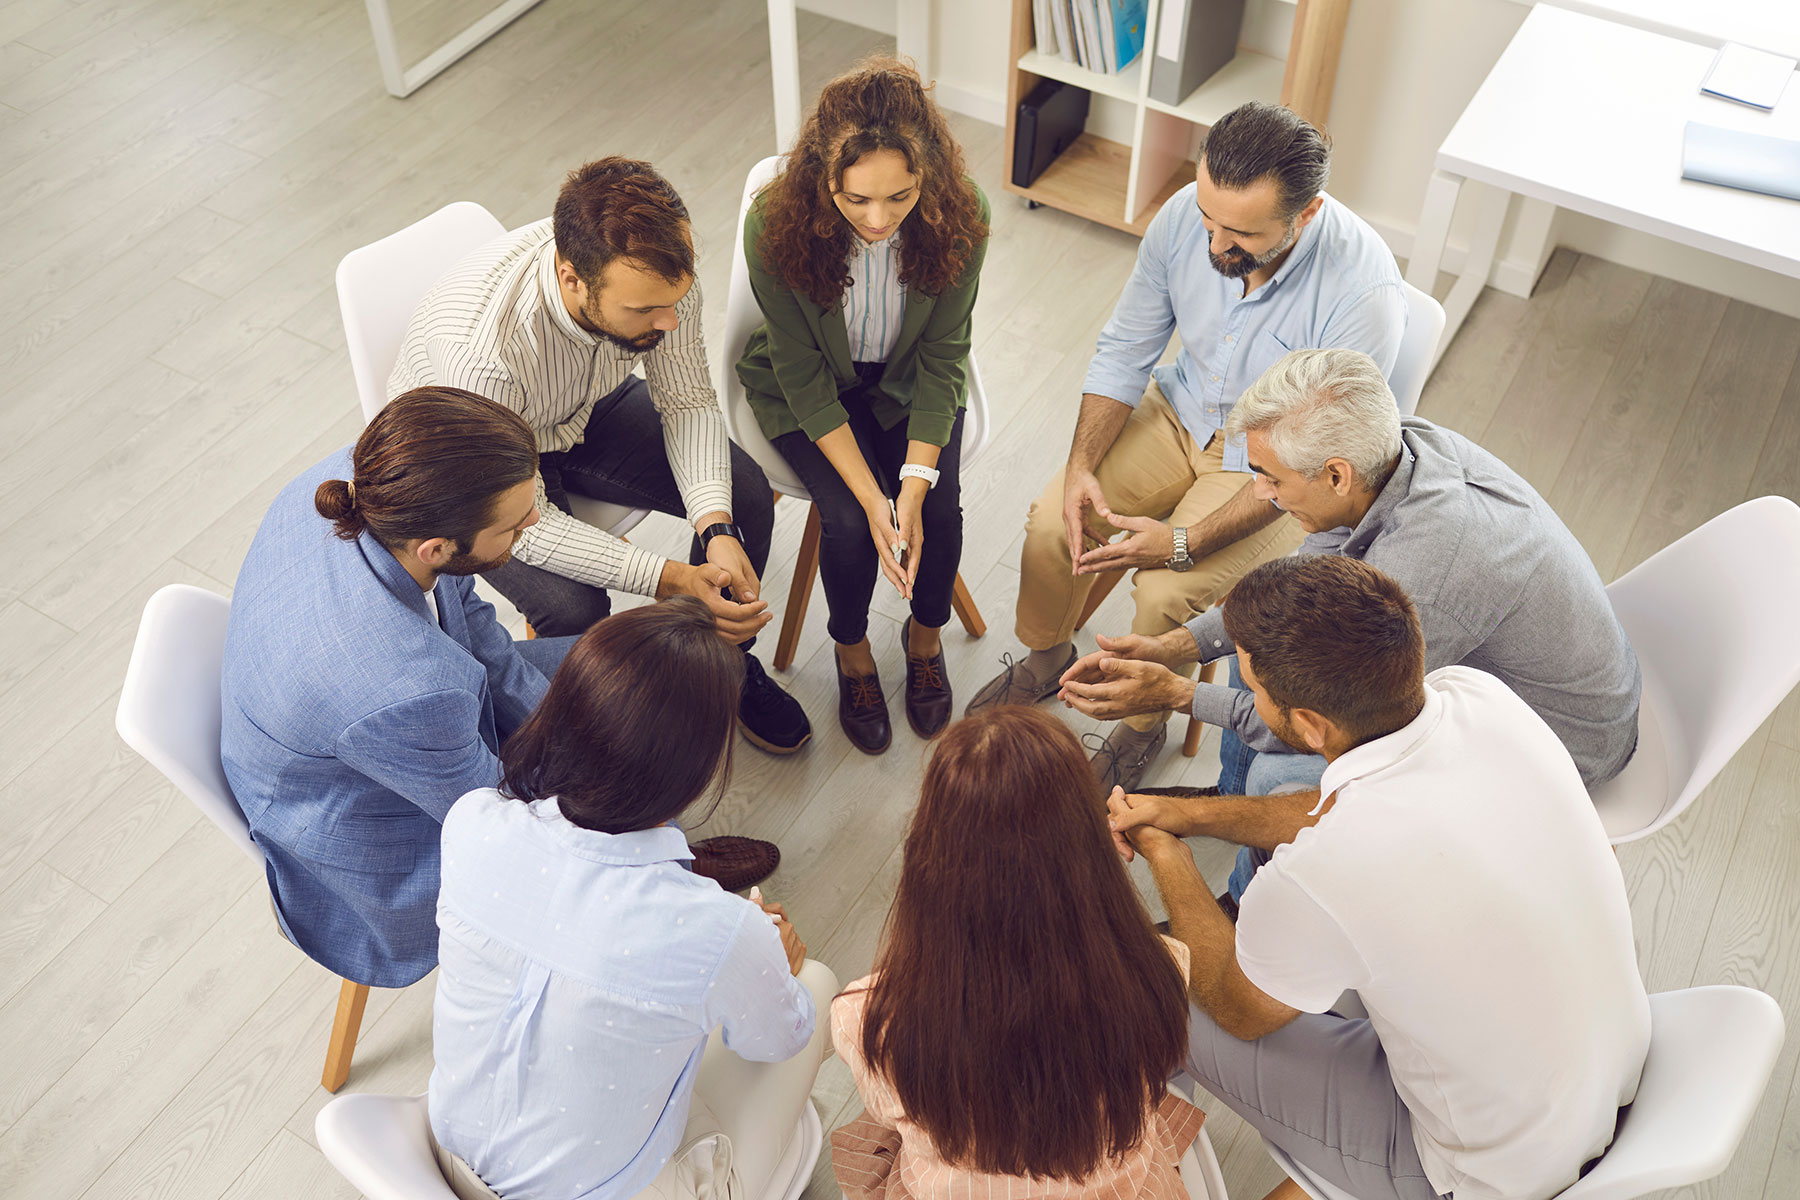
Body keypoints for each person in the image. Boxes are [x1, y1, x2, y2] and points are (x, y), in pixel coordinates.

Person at [1109, 555, 1650, 1200]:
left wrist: (1167, 853)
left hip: (1478, 1171)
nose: (1247, 699)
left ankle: (1130, 1161)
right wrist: (1185, 813)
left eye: (1251, 688)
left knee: (1143, 976)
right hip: (1605, 1076)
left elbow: (1237, 1005)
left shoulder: (1321, 874)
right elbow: (1336, 806)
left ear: (1309, 724)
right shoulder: (1480, 698)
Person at [1061, 347, 1641, 906]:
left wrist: (1180, 694)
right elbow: (1290, 598)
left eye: (1270, 478)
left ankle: (1246, 902)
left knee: (1278, 773)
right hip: (1525, 669)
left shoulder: (1423, 576)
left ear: (1336, 476)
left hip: (1559, 746)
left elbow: (1315, 728)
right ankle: (1232, 802)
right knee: (1259, 653)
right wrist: (1169, 647)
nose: (1260, 494)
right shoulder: (1393, 448)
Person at [967, 100, 1408, 793]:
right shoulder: (1184, 215)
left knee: (1167, 594)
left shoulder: (1364, 293)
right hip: (1181, 408)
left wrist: (1180, 543)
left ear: (1307, 214)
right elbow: (1127, 348)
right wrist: (1082, 467)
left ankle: (1143, 728)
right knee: (1056, 521)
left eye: (1241, 232)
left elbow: (1305, 470)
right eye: (1208, 218)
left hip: (1269, 464)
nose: (1215, 243)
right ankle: (1049, 655)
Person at [391, 155, 811, 757]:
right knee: (574, 604)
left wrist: (715, 528)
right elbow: (526, 528)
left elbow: (688, 401)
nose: (668, 322)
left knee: (742, 494)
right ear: (572, 280)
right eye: (643, 312)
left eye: (676, 301)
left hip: (580, 407)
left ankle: (721, 666)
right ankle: (613, 724)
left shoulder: (658, 280)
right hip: (472, 470)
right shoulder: (484, 354)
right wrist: (671, 579)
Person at [429, 597, 837, 1200]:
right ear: (694, 771)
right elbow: (780, 1039)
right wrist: (767, 961)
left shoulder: (472, 821)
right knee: (819, 987)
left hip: (441, 1158)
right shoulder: (719, 930)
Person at [221, 388, 578, 989]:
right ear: (437, 548)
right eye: (514, 526)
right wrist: (625, 818)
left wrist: (552, 716)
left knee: (628, 679)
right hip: (375, 843)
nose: (534, 522)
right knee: (628, 728)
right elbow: (492, 821)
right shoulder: (408, 691)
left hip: (385, 722)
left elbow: (465, 610)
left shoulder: (368, 480)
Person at [829, 705, 1206, 1200]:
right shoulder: (1161, 966)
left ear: (926, 854)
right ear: (1090, 846)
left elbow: (891, 1113)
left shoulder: (866, 1017)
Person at [738, 58, 990, 755]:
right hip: (814, 381)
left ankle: (924, 635)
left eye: (900, 198)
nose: (878, 221)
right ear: (824, 177)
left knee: (937, 508)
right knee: (848, 521)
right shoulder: (774, 224)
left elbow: (944, 358)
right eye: (856, 201)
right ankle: (852, 654)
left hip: (911, 376)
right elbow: (800, 372)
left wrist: (909, 488)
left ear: (929, 177)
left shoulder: (964, 214)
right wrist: (876, 500)